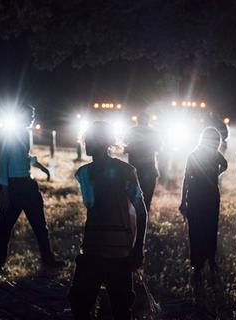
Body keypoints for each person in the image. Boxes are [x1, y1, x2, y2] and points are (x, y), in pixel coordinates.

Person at [68, 121, 148, 320]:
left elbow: (141, 211)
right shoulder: (88, 173)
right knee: (87, 303)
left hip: (114, 251)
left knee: (116, 307)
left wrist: (138, 248)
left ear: (104, 143)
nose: (86, 144)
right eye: (85, 139)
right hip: (98, 248)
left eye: (90, 139)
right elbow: (140, 211)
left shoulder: (113, 172)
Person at [0, 105, 62, 273]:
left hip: (27, 185)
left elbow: (22, 157)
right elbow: (4, 163)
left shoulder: (24, 133)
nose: (32, 118)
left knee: (40, 225)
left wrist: (40, 166)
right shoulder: (8, 134)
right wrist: (5, 192)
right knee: (4, 227)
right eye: (29, 115)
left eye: (33, 115)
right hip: (14, 187)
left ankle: (48, 259)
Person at [180, 127, 227, 282]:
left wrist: (183, 202)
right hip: (210, 196)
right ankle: (209, 261)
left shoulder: (194, 154)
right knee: (210, 229)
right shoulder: (214, 155)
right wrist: (217, 173)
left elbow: (186, 180)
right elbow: (225, 164)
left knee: (196, 231)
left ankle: (198, 264)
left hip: (196, 197)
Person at [124, 112, 162, 211]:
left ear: (138, 120)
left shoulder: (131, 130)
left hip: (133, 169)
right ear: (148, 120)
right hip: (149, 169)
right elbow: (158, 148)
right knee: (147, 199)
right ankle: (144, 219)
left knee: (133, 198)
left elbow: (125, 144)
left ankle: (134, 221)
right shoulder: (154, 132)